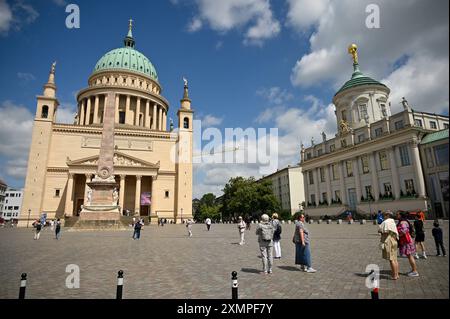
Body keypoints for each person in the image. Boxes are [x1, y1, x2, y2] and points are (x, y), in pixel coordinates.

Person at [378, 210, 399, 280]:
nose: (383, 216)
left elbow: (384, 231)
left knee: (391, 259)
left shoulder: (385, 222)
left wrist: (380, 231)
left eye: (384, 215)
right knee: (395, 259)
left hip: (388, 240)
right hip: (394, 240)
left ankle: (394, 275)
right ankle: (397, 274)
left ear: (387, 215)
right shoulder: (392, 221)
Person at [397, 211, 419, 277]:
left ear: (401, 215)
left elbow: (405, 230)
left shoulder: (403, 222)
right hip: (407, 240)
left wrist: (398, 235)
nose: (396, 215)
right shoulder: (405, 221)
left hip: (406, 241)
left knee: (410, 256)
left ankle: (415, 271)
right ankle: (414, 270)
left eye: (397, 214)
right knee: (409, 256)